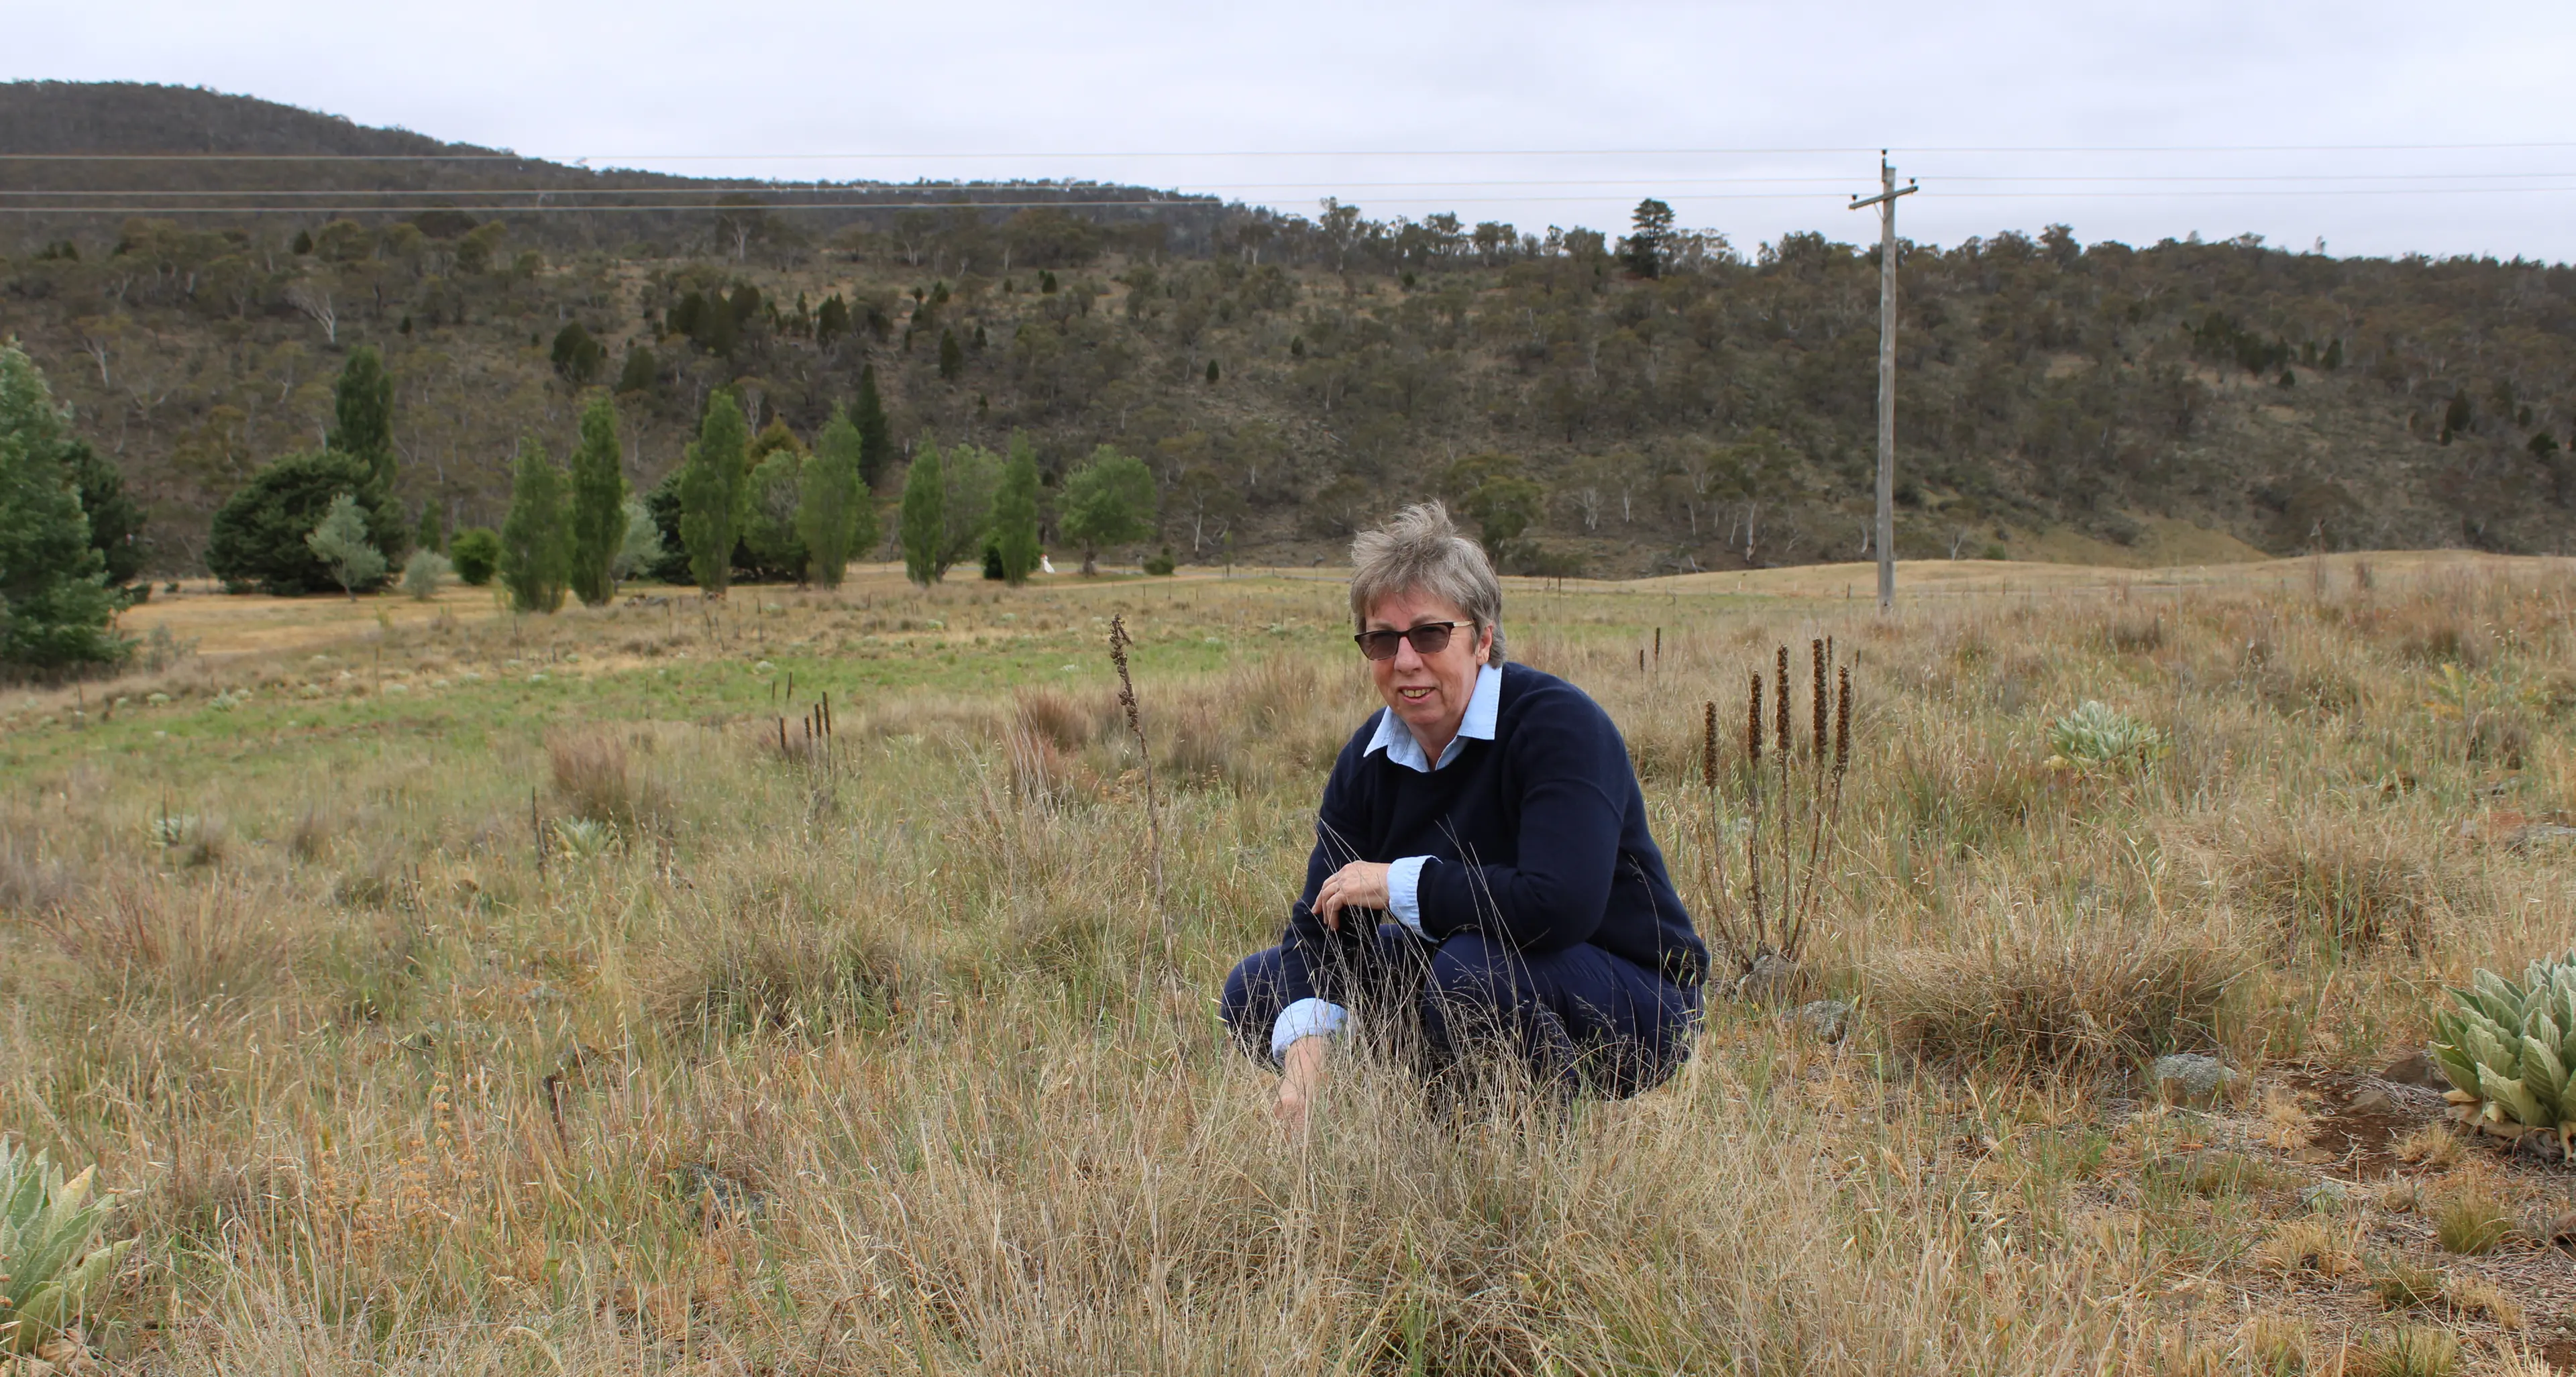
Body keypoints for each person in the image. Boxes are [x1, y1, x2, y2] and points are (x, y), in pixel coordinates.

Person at [1219, 503, 1709, 1127]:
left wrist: (1397, 882)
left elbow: (1559, 906)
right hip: (1468, 970)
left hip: (1636, 995)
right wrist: (1307, 1065)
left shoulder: (1558, 726)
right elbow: (1317, 938)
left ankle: (1526, 1157)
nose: (1404, 661)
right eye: (1381, 639)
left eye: (1428, 634)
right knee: (1255, 988)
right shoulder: (1367, 761)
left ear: (1481, 638)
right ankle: (1432, 1106)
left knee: (1471, 970)